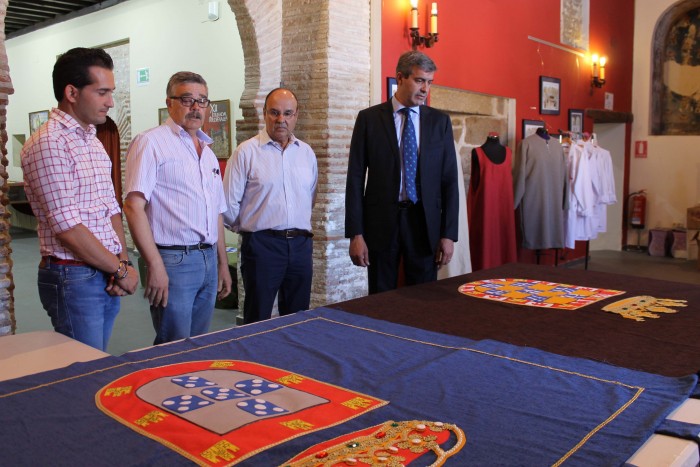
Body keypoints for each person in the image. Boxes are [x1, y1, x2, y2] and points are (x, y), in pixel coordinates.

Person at [21, 47, 138, 351]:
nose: (110, 102)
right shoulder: (49, 144)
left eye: (110, 92)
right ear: (72, 92)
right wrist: (120, 270)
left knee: (96, 361)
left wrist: (120, 260)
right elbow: (67, 227)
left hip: (102, 269)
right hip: (72, 274)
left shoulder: (91, 141)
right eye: (102, 92)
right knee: (82, 370)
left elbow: (111, 208)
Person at [123, 71, 232, 345]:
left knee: (197, 343)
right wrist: (155, 264)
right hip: (174, 261)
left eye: (202, 100)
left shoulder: (207, 152)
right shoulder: (150, 142)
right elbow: (133, 206)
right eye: (187, 99)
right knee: (173, 343)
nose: (196, 107)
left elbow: (216, 211)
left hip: (207, 258)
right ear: (169, 103)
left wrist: (222, 264)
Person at [345, 50, 459, 294]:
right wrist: (356, 233)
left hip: (424, 224)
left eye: (429, 82)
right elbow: (355, 179)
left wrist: (449, 234)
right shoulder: (369, 120)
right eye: (419, 80)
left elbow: (449, 181)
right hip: (381, 224)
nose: (425, 89)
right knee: (380, 298)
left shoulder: (440, 122)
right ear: (400, 77)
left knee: (424, 298)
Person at [223, 88, 317, 324]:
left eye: (287, 113)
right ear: (264, 114)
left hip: (301, 245)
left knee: (298, 318)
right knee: (257, 317)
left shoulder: (306, 154)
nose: (281, 119)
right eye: (274, 113)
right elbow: (227, 206)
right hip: (262, 246)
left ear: (296, 115)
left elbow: (310, 198)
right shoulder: (246, 152)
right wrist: (252, 229)